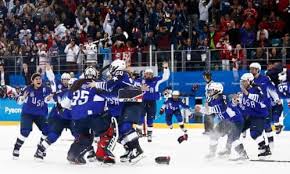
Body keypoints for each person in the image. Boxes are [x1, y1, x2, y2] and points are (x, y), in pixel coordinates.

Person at [89, 59, 145, 163]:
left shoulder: (120, 74)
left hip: (132, 104)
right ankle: (130, 149)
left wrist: (95, 85)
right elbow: (114, 94)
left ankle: (137, 150)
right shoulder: (123, 78)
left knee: (125, 127)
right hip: (131, 104)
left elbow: (108, 86)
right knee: (120, 129)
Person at [65, 66, 116, 164]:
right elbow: (112, 96)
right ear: (95, 75)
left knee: (85, 138)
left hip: (76, 119)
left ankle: (72, 155)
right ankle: (103, 155)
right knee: (108, 131)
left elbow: (66, 104)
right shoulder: (96, 84)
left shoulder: (76, 84)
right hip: (91, 117)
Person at [33, 78, 77, 160]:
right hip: (62, 118)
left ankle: (40, 150)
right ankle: (40, 150)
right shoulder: (64, 93)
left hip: (68, 119)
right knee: (53, 135)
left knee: (79, 135)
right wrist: (49, 97)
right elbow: (48, 100)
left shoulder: (64, 92)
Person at [12, 73, 53, 159]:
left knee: (47, 130)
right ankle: (16, 148)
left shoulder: (46, 89)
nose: (39, 80)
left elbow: (50, 100)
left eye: (40, 79)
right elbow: (19, 101)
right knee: (25, 132)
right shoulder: (28, 89)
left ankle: (40, 149)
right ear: (33, 81)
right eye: (36, 79)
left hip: (40, 114)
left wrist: (50, 99)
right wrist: (22, 99)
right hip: (28, 114)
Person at [205, 82, 248, 160]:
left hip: (236, 121)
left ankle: (243, 155)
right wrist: (207, 103)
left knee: (234, 139)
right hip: (226, 121)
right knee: (214, 135)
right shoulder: (212, 99)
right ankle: (212, 153)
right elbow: (208, 110)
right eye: (209, 90)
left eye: (211, 90)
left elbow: (223, 108)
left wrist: (207, 109)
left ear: (217, 90)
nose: (209, 92)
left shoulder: (223, 97)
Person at [135, 62, 170, 142]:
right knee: (140, 118)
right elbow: (131, 83)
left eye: (150, 74)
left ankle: (149, 134)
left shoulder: (156, 80)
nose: (148, 75)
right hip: (142, 101)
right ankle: (138, 131)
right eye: (147, 74)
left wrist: (166, 68)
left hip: (152, 102)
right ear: (144, 74)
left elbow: (166, 77)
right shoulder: (140, 81)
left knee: (150, 119)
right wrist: (139, 88)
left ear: (152, 74)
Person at [240, 73, 271, 158]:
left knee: (254, 133)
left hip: (259, 115)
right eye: (242, 81)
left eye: (244, 81)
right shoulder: (244, 91)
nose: (242, 83)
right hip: (250, 115)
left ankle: (265, 149)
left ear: (250, 81)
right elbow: (245, 104)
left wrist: (247, 94)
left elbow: (261, 99)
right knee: (235, 129)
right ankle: (240, 153)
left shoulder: (257, 88)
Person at [249, 62, 282, 145]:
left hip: (266, 106)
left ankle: (271, 144)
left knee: (267, 126)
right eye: (251, 68)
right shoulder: (248, 79)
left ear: (258, 70)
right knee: (257, 128)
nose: (252, 70)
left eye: (254, 69)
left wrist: (276, 98)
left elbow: (271, 89)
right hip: (255, 107)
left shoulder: (265, 78)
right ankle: (263, 146)